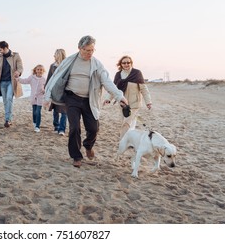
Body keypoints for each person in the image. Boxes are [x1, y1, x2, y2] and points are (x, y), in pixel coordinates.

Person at [44, 35, 128, 168]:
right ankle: (76, 156)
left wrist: (119, 97)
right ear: (80, 48)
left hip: (90, 100)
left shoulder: (96, 64)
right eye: (87, 50)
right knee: (74, 127)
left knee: (94, 128)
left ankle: (88, 145)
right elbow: (55, 77)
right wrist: (47, 97)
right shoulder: (70, 61)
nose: (90, 53)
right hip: (72, 98)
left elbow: (107, 81)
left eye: (92, 50)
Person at [104, 55, 152, 139]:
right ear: (121, 64)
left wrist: (148, 102)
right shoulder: (118, 75)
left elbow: (144, 89)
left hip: (135, 103)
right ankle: (131, 140)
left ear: (131, 63)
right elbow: (114, 89)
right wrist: (108, 99)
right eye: (124, 63)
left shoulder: (136, 73)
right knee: (129, 123)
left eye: (128, 62)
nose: (126, 64)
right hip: (123, 104)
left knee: (126, 123)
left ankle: (123, 140)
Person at [0, 41, 23, 128]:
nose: (0, 52)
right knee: (5, 101)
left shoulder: (16, 55)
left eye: (1, 50)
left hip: (11, 81)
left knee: (9, 98)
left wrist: (18, 72)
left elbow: (20, 67)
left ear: (6, 48)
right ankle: (8, 118)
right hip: (2, 82)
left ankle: (8, 120)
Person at [16, 65, 46, 132]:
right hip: (33, 97)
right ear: (35, 70)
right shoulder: (32, 77)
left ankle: (37, 126)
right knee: (34, 111)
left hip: (40, 97)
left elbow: (46, 87)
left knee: (38, 111)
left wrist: (44, 91)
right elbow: (25, 81)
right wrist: (18, 79)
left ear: (43, 71)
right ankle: (35, 122)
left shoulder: (44, 79)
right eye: (38, 69)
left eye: (41, 70)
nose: (39, 71)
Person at [45, 49, 67, 136]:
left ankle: (62, 129)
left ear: (59, 55)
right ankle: (56, 126)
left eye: (55, 54)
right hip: (54, 91)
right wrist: (46, 89)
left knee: (65, 111)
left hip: (64, 91)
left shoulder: (66, 65)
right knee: (56, 110)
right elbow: (49, 78)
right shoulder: (52, 66)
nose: (54, 56)